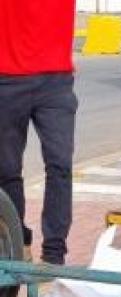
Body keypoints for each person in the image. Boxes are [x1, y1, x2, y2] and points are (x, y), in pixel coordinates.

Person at [0, 1, 78, 265]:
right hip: (7, 79)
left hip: (56, 81)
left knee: (60, 165)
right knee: (6, 170)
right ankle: (17, 242)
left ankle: (54, 255)